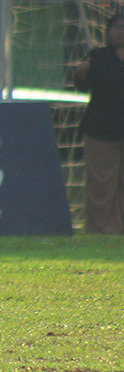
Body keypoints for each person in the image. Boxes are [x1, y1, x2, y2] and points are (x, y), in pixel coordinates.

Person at [74, 12, 124, 234]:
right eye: (115, 27)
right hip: (101, 131)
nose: (119, 31)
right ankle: (99, 231)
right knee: (100, 186)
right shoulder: (98, 57)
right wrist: (80, 75)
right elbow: (82, 87)